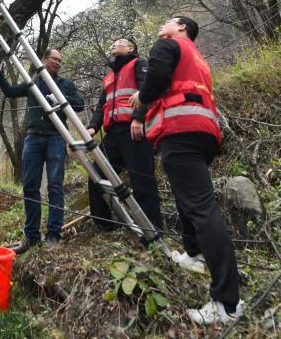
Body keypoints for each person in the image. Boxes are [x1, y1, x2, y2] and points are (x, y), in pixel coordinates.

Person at [130, 16, 244, 325]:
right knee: (189, 201)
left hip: (180, 131)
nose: (162, 25)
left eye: (168, 21)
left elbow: (155, 80)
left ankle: (227, 303)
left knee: (202, 208)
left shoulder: (168, 44)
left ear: (182, 27)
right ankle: (194, 254)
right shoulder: (197, 58)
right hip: (203, 132)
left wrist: (140, 99)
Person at [0, 48, 84, 253]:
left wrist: (61, 100)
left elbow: (79, 104)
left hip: (55, 137)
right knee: (30, 186)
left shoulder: (65, 84)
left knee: (55, 187)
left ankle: (53, 235)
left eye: (60, 60)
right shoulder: (32, 82)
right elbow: (10, 91)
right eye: (54, 58)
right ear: (43, 59)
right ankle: (31, 237)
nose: (57, 62)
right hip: (33, 137)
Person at [85, 37, 164, 235]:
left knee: (142, 182)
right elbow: (101, 106)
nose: (113, 44)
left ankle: (153, 232)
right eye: (112, 42)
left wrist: (138, 118)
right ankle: (104, 226)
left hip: (134, 131)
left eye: (119, 42)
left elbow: (147, 90)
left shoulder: (140, 64)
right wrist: (93, 127)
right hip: (112, 135)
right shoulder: (108, 77)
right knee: (96, 177)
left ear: (131, 48)